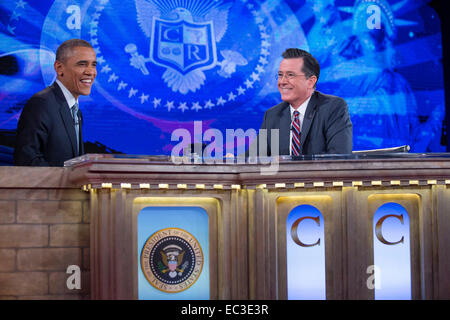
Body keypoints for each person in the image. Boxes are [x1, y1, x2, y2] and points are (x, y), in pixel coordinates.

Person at [14, 39, 97, 166]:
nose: (91, 72)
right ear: (59, 68)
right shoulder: (41, 103)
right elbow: (27, 161)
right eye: (82, 64)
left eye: (93, 65)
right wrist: (65, 180)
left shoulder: (76, 111)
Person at [256, 48, 352, 156]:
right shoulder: (272, 115)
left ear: (310, 82)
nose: (282, 82)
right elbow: (253, 159)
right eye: (280, 75)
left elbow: (339, 158)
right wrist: (233, 160)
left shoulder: (333, 108)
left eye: (290, 75)